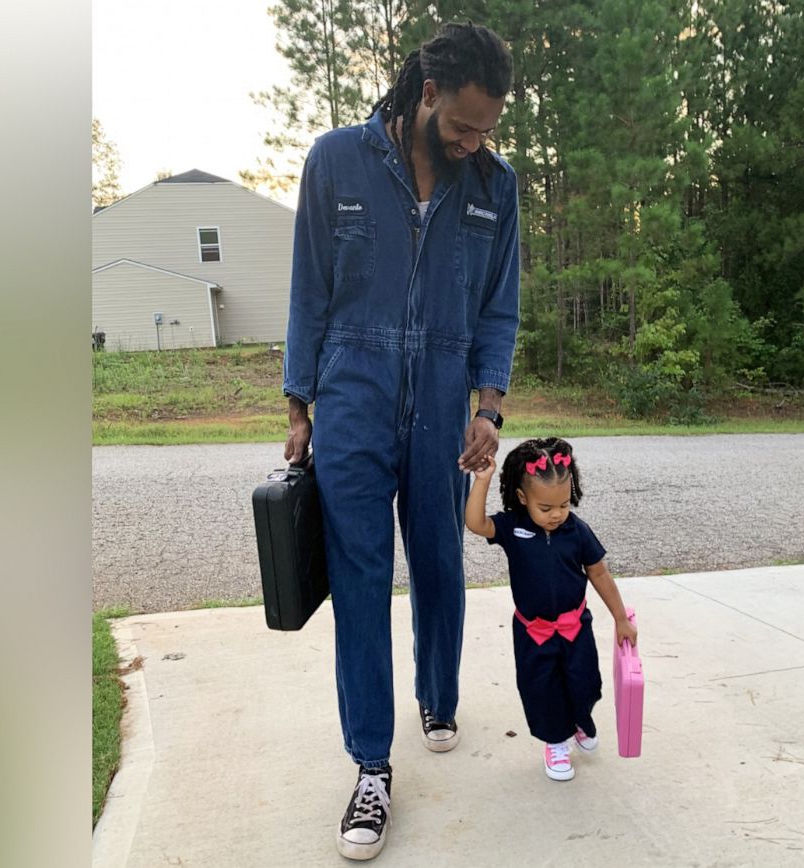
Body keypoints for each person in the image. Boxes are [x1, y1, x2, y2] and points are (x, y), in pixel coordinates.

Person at [281, 22, 519, 861]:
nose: (472, 141)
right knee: (359, 579)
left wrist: (489, 407)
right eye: (462, 124)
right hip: (352, 384)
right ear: (426, 95)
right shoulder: (335, 162)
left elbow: (499, 305)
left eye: (487, 127)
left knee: (440, 561)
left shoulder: (495, 186)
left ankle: (438, 694)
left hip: (447, 395)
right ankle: (372, 767)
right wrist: (298, 404)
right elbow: (309, 285)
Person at [465, 437, 638, 781]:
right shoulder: (512, 528)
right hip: (534, 632)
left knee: (585, 683)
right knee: (542, 690)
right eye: (545, 508)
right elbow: (475, 524)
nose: (556, 514)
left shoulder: (577, 531)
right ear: (522, 498)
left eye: (563, 505)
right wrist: (482, 479)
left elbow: (599, 573)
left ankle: (579, 722)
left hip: (576, 628)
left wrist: (620, 617)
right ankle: (556, 742)